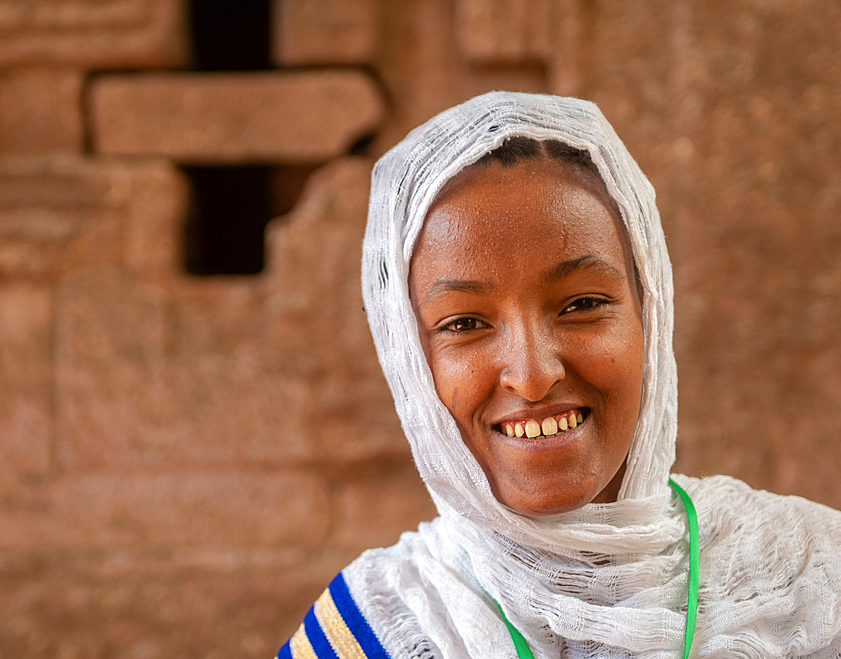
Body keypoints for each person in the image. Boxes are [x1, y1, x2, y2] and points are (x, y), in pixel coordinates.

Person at [277, 92, 841, 658]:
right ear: (407, 359)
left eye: (581, 305)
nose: (533, 374)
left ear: (652, 315)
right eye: (465, 322)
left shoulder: (812, 582)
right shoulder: (375, 628)